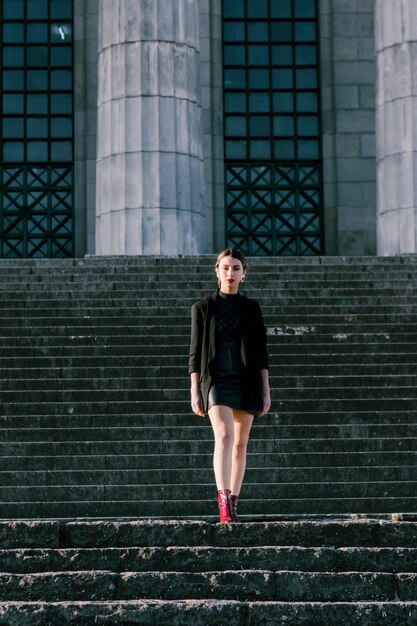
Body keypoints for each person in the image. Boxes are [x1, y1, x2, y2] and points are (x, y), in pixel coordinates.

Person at [188, 248, 271, 523]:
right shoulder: (202, 308)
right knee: (224, 436)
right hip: (217, 381)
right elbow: (194, 353)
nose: (230, 273)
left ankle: (234, 503)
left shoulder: (252, 308)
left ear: (243, 274)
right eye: (225, 267)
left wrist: (265, 391)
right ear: (217, 271)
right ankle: (223, 504)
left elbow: (260, 353)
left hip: (246, 381)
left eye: (236, 268)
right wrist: (195, 391)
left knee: (240, 444)